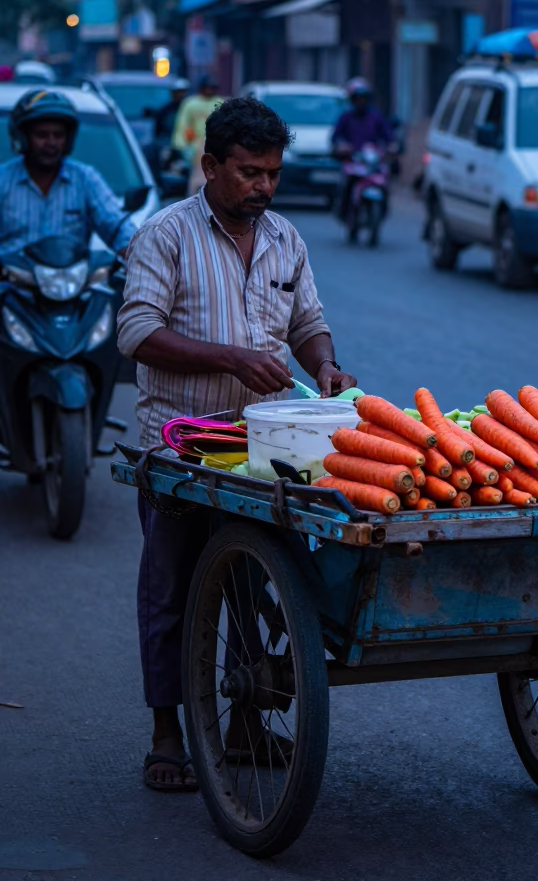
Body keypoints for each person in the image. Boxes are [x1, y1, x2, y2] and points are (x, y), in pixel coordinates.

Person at [117, 94, 357, 792]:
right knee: (172, 591)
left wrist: (325, 367)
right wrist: (228, 358)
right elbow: (136, 334)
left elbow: (308, 319)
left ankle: (249, 721)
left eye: (272, 174)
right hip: (180, 444)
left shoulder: (285, 237)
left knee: (260, 587)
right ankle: (168, 735)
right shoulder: (166, 235)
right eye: (249, 173)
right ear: (211, 165)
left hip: (266, 447)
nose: (263, 187)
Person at [0, 88, 136, 263]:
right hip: (10, 285)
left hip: (73, 285)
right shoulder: (3, 180)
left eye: (58, 135)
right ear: (23, 137)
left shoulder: (85, 178)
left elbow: (118, 227)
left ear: (68, 139)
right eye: (42, 135)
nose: (51, 143)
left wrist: (138, 254)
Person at [331, 77, 394, 220]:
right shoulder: (346, 117)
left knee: (384, 180)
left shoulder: (376, 117)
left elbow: (388, 135)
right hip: (354, 159)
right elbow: (336, 137)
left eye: (364, 98)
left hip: (372, 159)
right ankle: (345, 211)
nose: (361, 101)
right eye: (358, 98)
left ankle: (383, 211)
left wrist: (392, 146)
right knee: (348, 183)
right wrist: (342, 146)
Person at [171, 76, 222, 194]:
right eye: (207, 87)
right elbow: (183, 124)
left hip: (215, 145)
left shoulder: (219, 102)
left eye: (211, 88)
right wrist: (181, 144)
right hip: (194, 146)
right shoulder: (191, 103)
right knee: (197, 176)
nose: (209, 90)